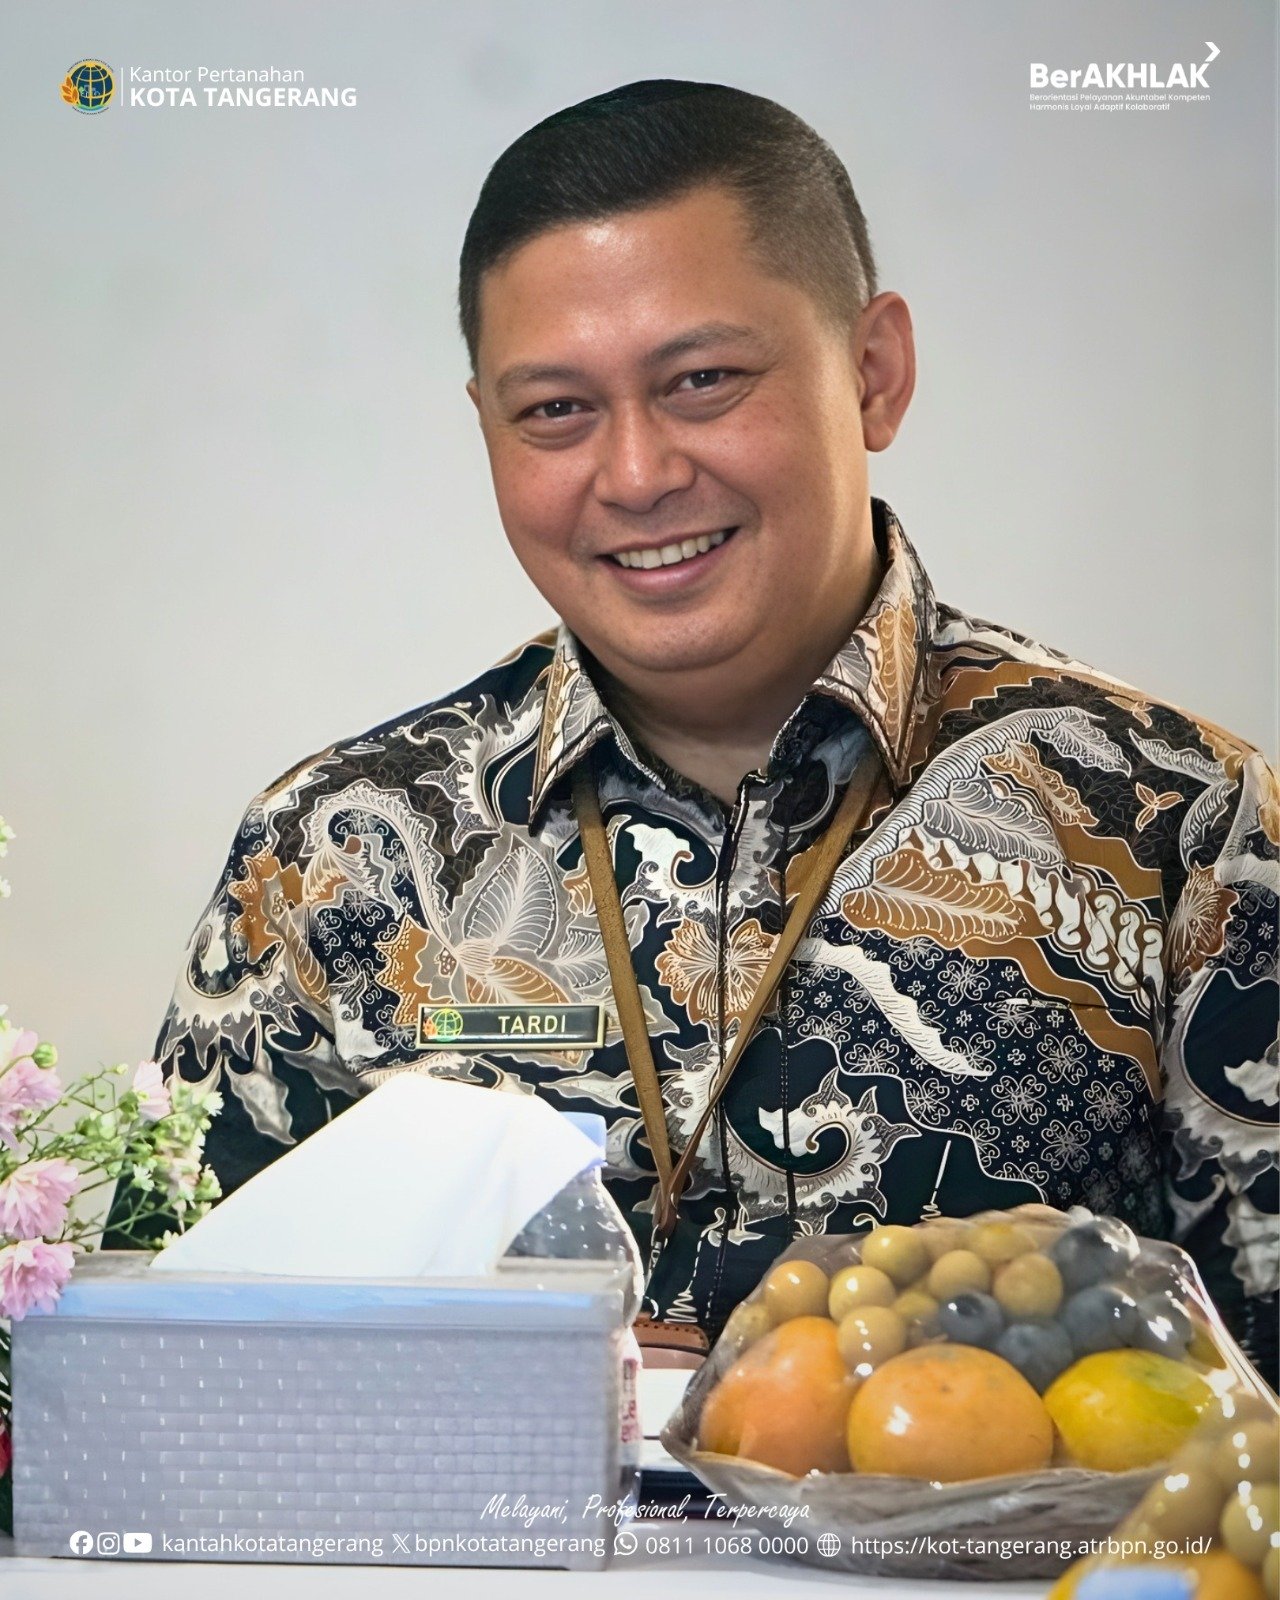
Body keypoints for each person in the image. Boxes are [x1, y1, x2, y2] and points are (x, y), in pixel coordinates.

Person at [103, 79, 1278, 1386]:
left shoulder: (1186, 827)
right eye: (556, 410)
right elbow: (159, 1383)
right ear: (487, 425)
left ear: (875, 374)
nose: (638, 474)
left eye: (704, 381)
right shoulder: (332, 854)